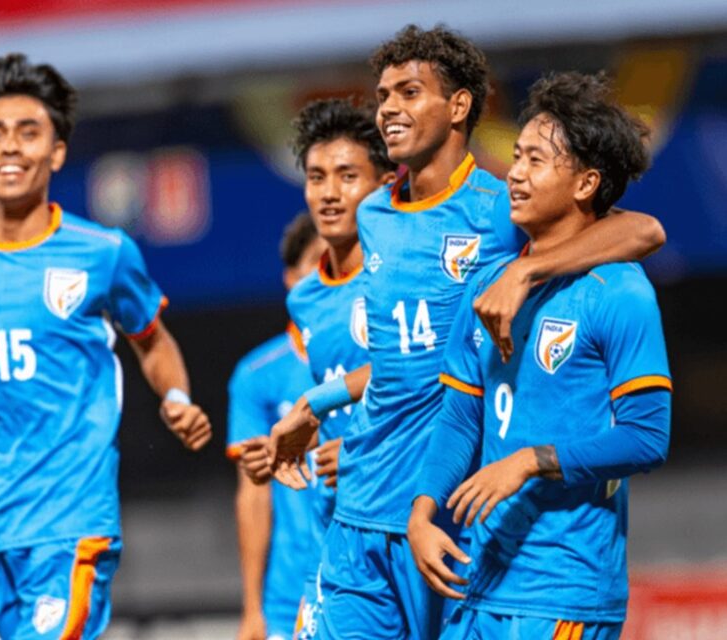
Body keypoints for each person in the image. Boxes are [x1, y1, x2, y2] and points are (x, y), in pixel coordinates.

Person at [269, 25, 666, 639]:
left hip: (463, 526)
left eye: (409, 92)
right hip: (366, 506)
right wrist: (317, 402)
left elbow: (643, 231)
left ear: (458, 106)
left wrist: (525, 270)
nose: (388, 108)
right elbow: (402, 362)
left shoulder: (501, 211)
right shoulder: (374, 214)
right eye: (383, 95)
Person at [0, 53, 211, 639]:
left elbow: (153, 341)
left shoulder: (102, 252)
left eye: (28, 132)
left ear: (56, 151)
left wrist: (177, 397)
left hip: (75, 520)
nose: (10, 146)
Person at [408, 71, 671, 640]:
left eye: (536, 160)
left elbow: (647, 438)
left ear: (586, 183)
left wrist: (531, 460)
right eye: (516, 157)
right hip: (479, 582)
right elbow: (461, 417)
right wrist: (423, 511)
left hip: (563, 591)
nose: (515, 173)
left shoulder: (619, 293)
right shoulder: (488, 287)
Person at [286, 98, 397, 638]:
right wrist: (292, 441)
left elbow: (424, 374)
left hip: (410, 516)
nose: (328, 193)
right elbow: (338, 412)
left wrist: (357, 446)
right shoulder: (305, 298)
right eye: (316, 177)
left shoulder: (403, 276)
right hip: (338, 528)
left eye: (347, 176)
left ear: (383, 184)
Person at [227, 212, 325, 640]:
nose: (329, 275)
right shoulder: (258, 375)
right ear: (290, 279)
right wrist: (253, 608)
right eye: (318, 262)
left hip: (368, 581)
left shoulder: (379, 357)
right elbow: (254, 494)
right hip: (289, 597)